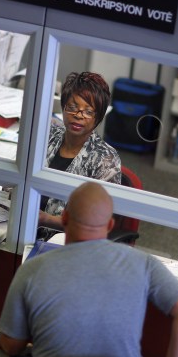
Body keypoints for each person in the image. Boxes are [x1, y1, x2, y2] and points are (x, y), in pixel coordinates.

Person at [0, 182, 178, 357]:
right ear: (111, 225)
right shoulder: (144, 264)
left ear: (65, 219)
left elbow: (12, 345)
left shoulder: (31, 270)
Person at [38, 71, 122, 237]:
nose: (78, 115)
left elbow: (96, 222)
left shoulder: (106, 160)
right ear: (63, 108)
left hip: (66, 242)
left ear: (98, 117)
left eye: (88, 111)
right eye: (72, 107)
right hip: (24, 228)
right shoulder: (47, 137)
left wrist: (46, 219)